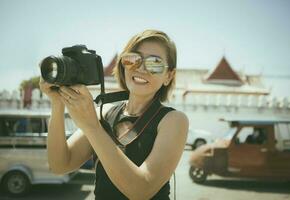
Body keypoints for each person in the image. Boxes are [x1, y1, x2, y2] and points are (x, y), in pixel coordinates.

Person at [39, 29, 189, 200]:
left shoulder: (173, 120)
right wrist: (57, 103)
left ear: (169, 76)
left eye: (154, 63)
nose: (141, 68)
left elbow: (141, 191)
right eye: (133, 59)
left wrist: (92, 127)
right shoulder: (104, 113)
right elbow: (60, 165)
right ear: (123, 64)